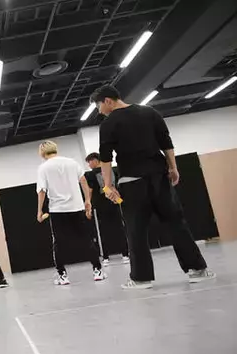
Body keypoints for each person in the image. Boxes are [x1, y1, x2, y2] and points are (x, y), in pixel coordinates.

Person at [90, 85, 215, 289]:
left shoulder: (108, 124)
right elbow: (166, 143)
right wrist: (173, 168)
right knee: (176, 224)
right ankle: (198, 270)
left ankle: (141, 279)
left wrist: (108, 186)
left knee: (136, 231)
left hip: (132, 183)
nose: (99, 111)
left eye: (98, 106)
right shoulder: (150, 112)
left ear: (108, 101)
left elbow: (105, 158)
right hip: (159, 178)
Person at [36, 141, 105, 285]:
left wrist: (39, 210)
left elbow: (41, 190)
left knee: (58, 243)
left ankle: (62, 276)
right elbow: (83, 181)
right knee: (87, 239)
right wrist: (87, 200)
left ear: (42, 153)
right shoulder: (72, 162)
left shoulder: (43, 168)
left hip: (57, 210)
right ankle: (97, 271)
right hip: (77, 207)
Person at [84, 152, 130, 265]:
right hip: (115, 203)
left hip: (100, 206)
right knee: (120, 228)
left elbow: (90, 190)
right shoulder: (111, 170)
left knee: (102, 231)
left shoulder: (91, 174)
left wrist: (88, 204)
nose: (89, 165)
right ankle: (125, 254)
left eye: (89, 162)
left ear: (95, 160)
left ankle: (105, 257)